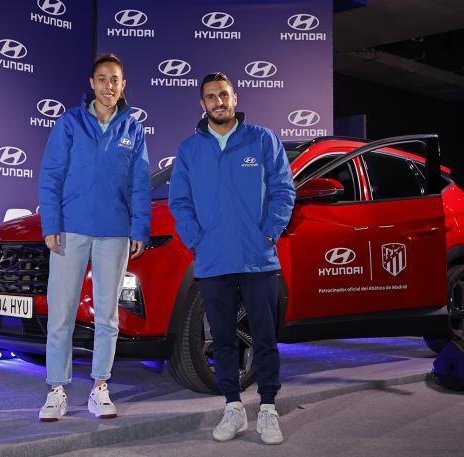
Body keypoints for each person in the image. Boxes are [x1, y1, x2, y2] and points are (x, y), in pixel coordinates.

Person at [168, 72, 295, 444]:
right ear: (202, 104)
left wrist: (270, 232)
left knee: (265, 337)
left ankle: (269, 408)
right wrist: (198, 243)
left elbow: (283, 190)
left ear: (235, 98)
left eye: (223, 95)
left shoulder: (262, 139)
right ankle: (233, 407)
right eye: (210, 97)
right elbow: (179, 202)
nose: (218, 102)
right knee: (222, 339)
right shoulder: (190, 149)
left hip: (258, 259)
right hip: (213, 260)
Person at [37, 54, 151, 421]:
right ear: (91, 83)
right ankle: (57, 389)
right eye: (102, 79)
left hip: (114, 232)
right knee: (61, 313)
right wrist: (50, 224)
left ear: (123, 85)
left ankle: (100, 386)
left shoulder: (133, 128)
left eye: (115, 79)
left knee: (107, 315)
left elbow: (139, 185)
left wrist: (139, 228)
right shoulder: (70, 122)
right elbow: (51, 174)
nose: (108, 86)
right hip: (71, 229)